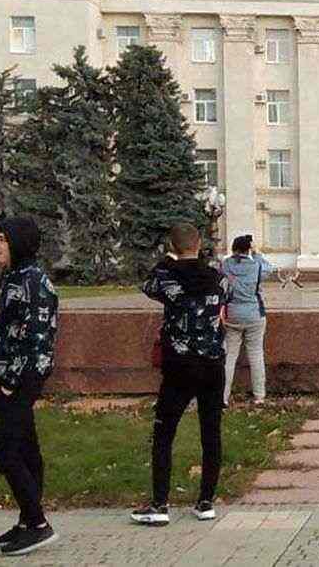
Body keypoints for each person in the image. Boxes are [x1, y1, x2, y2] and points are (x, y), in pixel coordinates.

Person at [131, 223, 227, 526]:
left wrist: (168, 260)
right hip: (213, 364)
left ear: (172, 246)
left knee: (164, 433)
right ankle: (206, 502)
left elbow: (147, 284)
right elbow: (227, 297)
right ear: (198, 244)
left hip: (179, 365)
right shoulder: (218, 277)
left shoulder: (165, 277)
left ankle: (160, 505)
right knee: (211, 433)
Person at [0, 217, 60, 556]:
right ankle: (27, 522)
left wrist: (11, 382)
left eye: (1, 239)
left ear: (18, 242)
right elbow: (6, 334)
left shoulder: (35, 282)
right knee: (26, 450)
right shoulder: (12, 277)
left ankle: (38, 524)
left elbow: (37, 341)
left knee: (4, 452)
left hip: (21, 381)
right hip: (6, 379)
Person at [221, 234, 274, 407]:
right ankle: (259, 396)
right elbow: (270, 268)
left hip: (232, 315)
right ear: (248, 250)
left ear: (233, 249)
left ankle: (223, 397)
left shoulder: (226, 265)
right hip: (254, 314)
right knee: (256, 355)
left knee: (229, 357)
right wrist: (257, 253)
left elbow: (219, 269)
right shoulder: (257, 266)